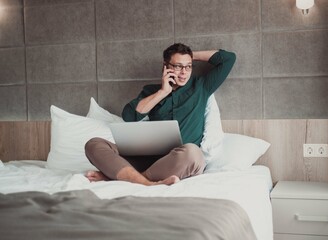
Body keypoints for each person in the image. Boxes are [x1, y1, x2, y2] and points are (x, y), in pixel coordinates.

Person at [84, 43, 236, 186]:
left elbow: (229, 59)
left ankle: (125, 178)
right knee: (94, 144)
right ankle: (145, 182)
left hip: (180, 160)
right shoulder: (151, 91)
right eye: (178, 66)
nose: (184, 72)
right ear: (166, 67)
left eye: (188, 67)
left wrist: (189, 56)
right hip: (149, 159)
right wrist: (162, 92)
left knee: (193, 153)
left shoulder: (201, 87)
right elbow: (129, 116)